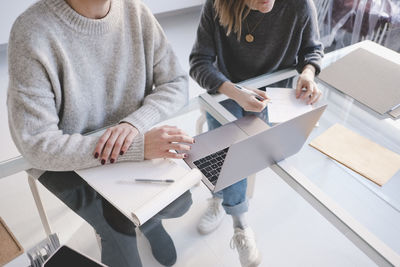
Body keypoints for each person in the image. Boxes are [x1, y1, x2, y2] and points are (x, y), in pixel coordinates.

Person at [7, 0, 194, 266]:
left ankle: (150, 223)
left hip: (129, 137)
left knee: (180, 202)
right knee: (119, 233)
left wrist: (134, 124)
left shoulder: (135, 10)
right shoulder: (32, 31)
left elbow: (176, 82)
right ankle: (135, 223)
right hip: (65, 161)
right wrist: (134, 148)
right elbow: (37, 144)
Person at [189, 0, 324, 266]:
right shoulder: (217, 6)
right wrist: (235, 93)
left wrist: (308, 73)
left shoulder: (300, 6)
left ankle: (220, 195)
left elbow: (312, 50)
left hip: (275, 96)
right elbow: (199, 63)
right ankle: (239, 223)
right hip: (228, 90)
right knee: (230, 149)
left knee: (242, 152)